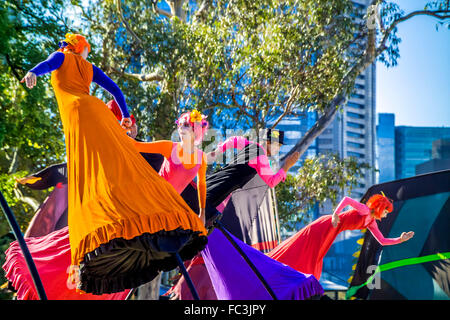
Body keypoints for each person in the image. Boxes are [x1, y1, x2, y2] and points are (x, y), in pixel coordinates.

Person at [19, 33, 207, 294]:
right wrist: (126, 117)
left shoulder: (61, 57)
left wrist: (32, 73)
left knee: (92, 161)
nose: (86, 54)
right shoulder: (80, 63)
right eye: (86, 49)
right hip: (97, 112)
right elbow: (116, 90)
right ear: (80, 48)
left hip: (80, 114)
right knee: (113, 158)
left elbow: (47, 66)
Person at [268, 194, 415, 280]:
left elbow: (382, 240)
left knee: (314, 259)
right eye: (386, 211)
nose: (386, 214)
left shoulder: (371, 223)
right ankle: (275, 267)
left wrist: (400, 239)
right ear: (380, 208)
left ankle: (292, 277)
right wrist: (335, 214)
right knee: (307, 253)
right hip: (325, 226)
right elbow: (346, 200)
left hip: (331, 233)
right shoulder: (365, 210)